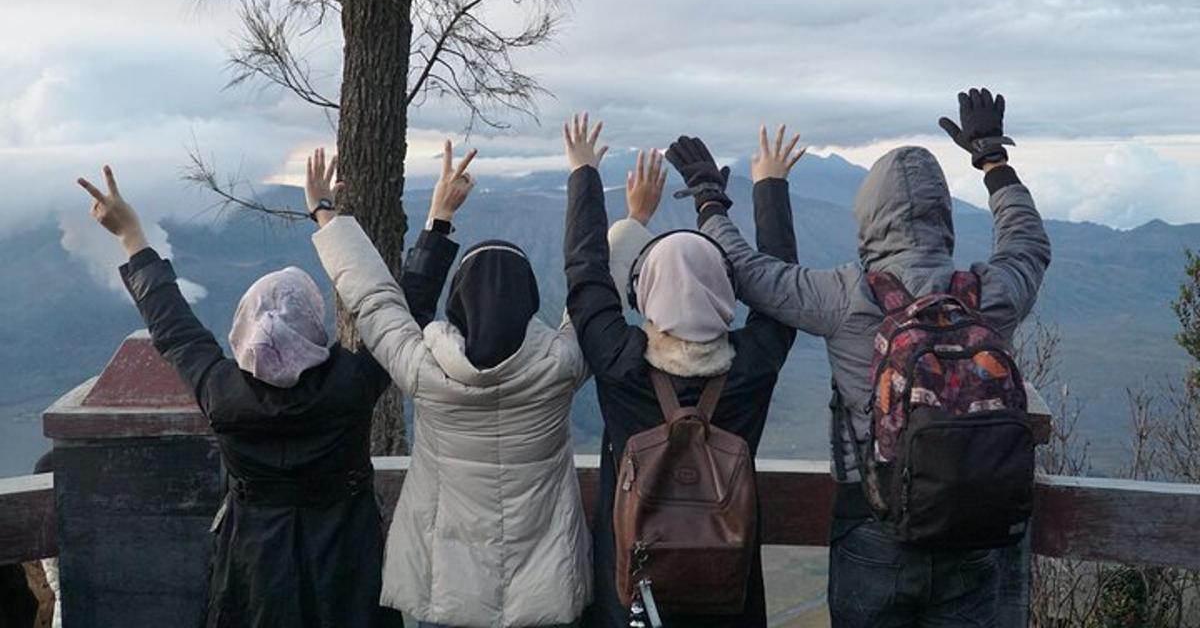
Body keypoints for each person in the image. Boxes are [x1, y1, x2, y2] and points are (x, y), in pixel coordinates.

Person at [671, 89, 1052, 627]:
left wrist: (710, 198)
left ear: (869, 217)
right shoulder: (988, 295)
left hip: (872, 531)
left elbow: (746, 271)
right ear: (943, 214)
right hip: (976, 536)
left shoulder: (846, 296)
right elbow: (1028, 242)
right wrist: (992, 159)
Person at [75, 162, 436, 628]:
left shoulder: (224, 395)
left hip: (255, 566)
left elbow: (174, 328)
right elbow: (404, 314)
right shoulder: (350, 385)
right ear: (313, 326)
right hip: (347, 558)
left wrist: (131, 238)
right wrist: (436, 222)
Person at [306, 142, 593, 628]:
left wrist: (327, 216)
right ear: (529, 301)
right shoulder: (561, 364)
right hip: (545, 594)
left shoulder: (424, 370)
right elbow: (591, 297)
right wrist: (615, 206)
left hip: (446, 594)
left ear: (457, 304)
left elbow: (375, 300)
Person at [562, 114, 799, 628]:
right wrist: (766, 187)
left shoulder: (620, 361)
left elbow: (586, 275)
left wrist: (583, 175)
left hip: (633, 597)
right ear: (725, 290)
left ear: (642, 293)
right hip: (727, 595)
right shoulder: (752, 364)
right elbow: (782, 288)